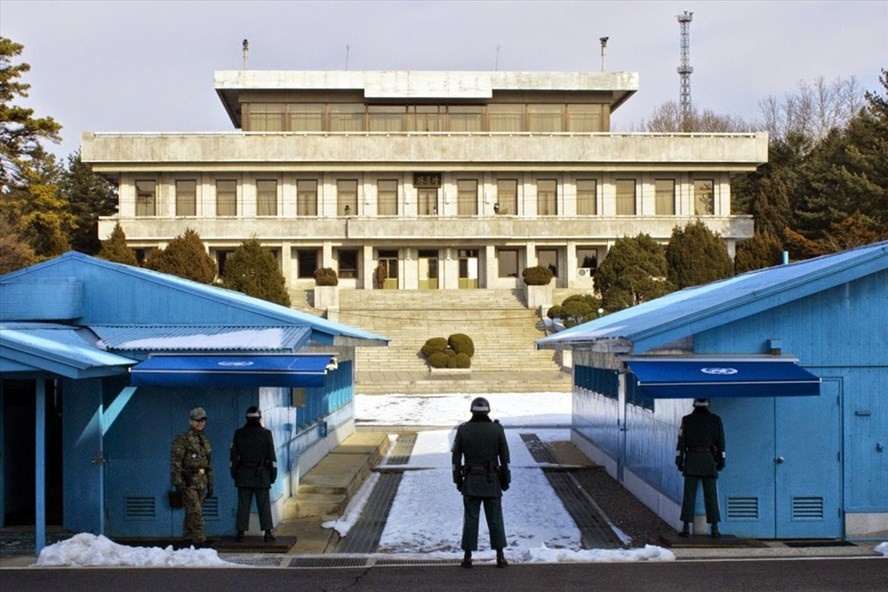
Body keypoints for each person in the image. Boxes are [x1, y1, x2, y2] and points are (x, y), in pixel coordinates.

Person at [451, 397, 511, 568]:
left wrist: (457, 480)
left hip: (471, 481)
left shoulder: (463, 430)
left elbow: (455, 457)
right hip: (492, 481)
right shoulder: (497, 429)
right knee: (495, 519)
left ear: (472, 412)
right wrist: (506, 480)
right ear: (488, 412)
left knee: (471, 519)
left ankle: (467, 557)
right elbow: (505, 457)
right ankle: (500, 556)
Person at [675, 398, 726, 538]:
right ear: (707, 405)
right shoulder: (716, 420)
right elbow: (721, 442)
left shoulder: (687, 420)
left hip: (691, 460)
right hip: (708, 461)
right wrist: (721, 460)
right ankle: (714, 528)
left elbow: (681, 443)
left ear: (694, 405)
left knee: (689, 496)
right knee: (711, 496)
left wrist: (679, 461)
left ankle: (686, 526)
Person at [230, 406, 278, 542]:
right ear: (259, 418)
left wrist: (234, 473)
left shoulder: (239, 433)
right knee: (264, 504)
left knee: (243, 504)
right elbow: (272, 456)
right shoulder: (266, 434)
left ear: (246, 418)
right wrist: (273, 474)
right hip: (262, 474)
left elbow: (233, 456)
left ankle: (241, 533)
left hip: (244, 473)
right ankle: (267, 533)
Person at [170, 407, 214, 548]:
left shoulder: (205, 440)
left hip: (201, 481)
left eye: (203, 420)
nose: (200, 423)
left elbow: (208, 463)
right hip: (188, 480)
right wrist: (177, 481)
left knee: (192, 511)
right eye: (197, 420)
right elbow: (176, 460)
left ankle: (188, 538)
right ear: (191, 421)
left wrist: (210, 482)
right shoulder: (183, 439)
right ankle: (200, 541)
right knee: (196, 512)